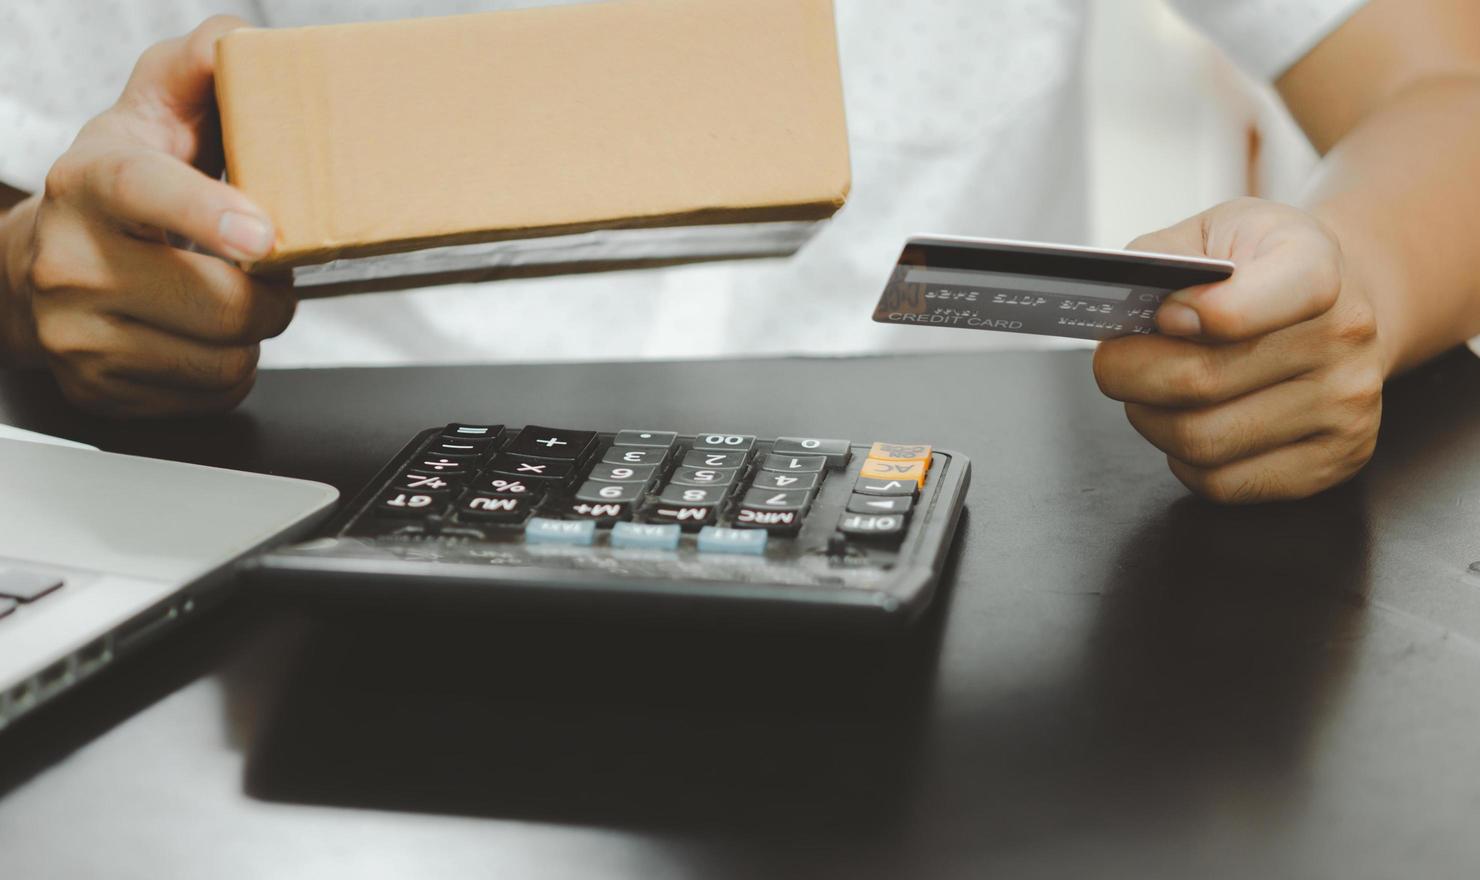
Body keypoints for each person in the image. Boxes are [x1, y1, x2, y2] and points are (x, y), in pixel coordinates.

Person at [1, 1, 1478, 504]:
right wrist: (53, 285)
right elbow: (40, 200)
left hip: (980, 539)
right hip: (328, 515)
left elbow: (1443, 85)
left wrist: (1357, 275)